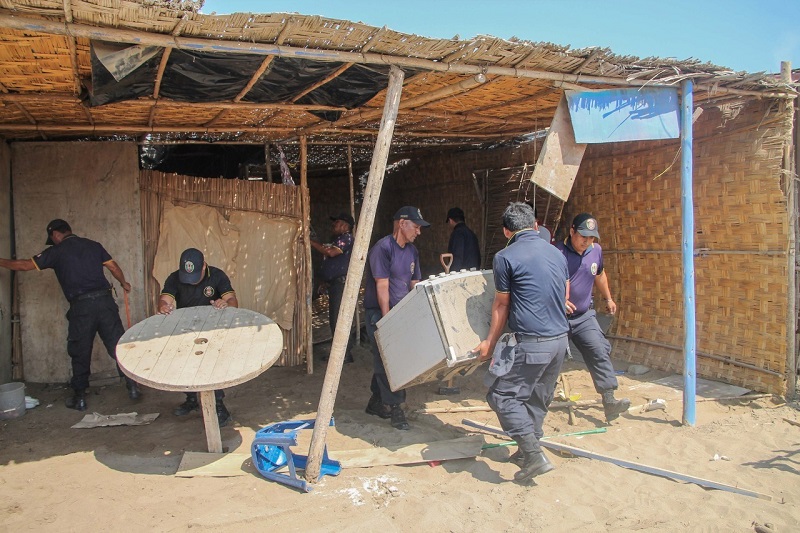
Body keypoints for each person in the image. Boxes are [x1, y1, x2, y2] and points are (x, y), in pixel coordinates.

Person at [0, 219, 140, 411]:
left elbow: (24, 265)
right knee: (117, 346)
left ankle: (80, 398)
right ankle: (132, 387)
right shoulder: (93, 245)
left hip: (81, 308)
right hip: (105, 303)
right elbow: (113, 267)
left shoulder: (56, 252)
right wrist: (124, 283)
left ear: (55, 234)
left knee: (80, 351)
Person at [474, 202, 569, 483]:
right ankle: (527, 449)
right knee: (538, 395)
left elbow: (502, 304)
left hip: (533, 343)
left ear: (506, 231)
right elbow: (562, 293)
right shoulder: (556, 253)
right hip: (560, 342)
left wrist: (489, 343)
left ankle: (533, 455)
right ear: (536, 225)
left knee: (501, 396)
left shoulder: (505, 257)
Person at [556, 213, 631, 422]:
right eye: (583, 236)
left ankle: (609, 401)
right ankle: (538, 402)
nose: (587, 242)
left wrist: (608, 298)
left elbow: (599, 274)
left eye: (591, 238)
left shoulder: (596, 251)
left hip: (583, 316)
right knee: (552, 358)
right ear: (571, 232)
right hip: (557, 318)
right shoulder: (556, 252)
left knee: (598, 350)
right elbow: (543, 282)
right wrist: (558, 300)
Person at [363, 206, 430, 430]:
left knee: (388, 359)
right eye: (416, 227)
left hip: (401, 314)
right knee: (390, 361)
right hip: (380, 314)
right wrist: (387, 321)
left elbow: (414, 283)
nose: (418, 232)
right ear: (402, 224)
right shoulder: (382, 248)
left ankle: (375, 402)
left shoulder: (412, 251)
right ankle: (396, 408)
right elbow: (382, 286)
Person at [158, 248, 239, 427]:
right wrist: (164, 307)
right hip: (186, 330)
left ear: (203, 266)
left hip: (213, 329)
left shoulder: (217, 276)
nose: (191, 282)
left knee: (211, 368)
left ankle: (219, 406)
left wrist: (225, 303)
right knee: (187, 366)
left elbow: (233, 302)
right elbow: (164, 300)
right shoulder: (173, 278)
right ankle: (192, 400)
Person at [311, 212, 356, 364]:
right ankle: (342, 353)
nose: (333, 225)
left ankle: (343, 354)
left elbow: (331, 252)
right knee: (335, 319)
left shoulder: (346, 238)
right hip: (336, 284)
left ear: (345, 226)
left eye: (336, 223)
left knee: (338, 319)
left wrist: (310, 242)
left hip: (341, 284)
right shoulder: (338, 239)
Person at [445, 207, 481, 271]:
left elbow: (457, 256)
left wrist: (453, 274)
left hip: (462, 275)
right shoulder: (471, 234)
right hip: (474, 272)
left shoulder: (458, 233)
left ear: (450, 220)